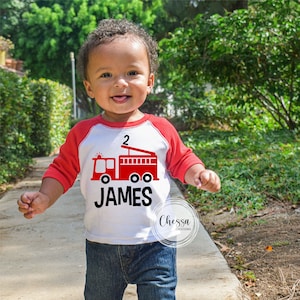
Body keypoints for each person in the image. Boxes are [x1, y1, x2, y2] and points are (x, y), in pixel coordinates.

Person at [17, 19, 221, 300]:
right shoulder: (83, 134)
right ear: (89, 87)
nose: (120, 83)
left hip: (156, 244)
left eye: (132, 72)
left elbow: (183, 159)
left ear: (149, 81)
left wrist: (199, 172)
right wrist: (44, 197)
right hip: (102, 247)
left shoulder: (160, 129)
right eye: (106, 75)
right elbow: (61, 171)